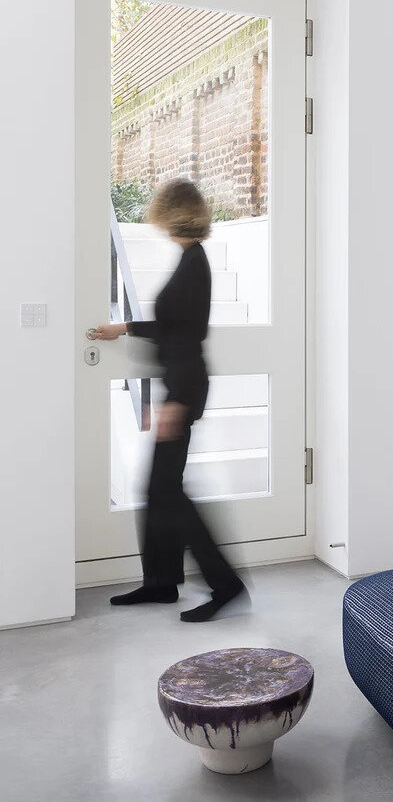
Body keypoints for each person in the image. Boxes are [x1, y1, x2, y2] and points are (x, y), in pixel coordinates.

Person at [89, 178, 246, 621]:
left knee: (168, 491)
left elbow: (189, 336)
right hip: (179, 385)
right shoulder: (189, 259)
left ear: (171, 213)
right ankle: (161, 583)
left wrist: (175, 402)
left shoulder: (194, 264)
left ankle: (225, 585)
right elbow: (174, 327)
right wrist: (125, 328)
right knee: (161, 490)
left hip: (184, 389)